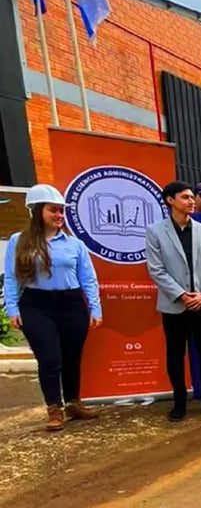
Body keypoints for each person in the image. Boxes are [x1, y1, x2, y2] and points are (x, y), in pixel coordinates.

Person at [3, 184, 102, 431]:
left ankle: (73, 403)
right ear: (37, 211)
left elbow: (88, 278)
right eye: (53, 210)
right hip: (36, 304)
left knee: (71, 358)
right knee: (50, 358)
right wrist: (12, 308)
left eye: (61, 211)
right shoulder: (19, 241)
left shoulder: (74, 244)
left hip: (71, 304)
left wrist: (95, 309)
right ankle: (54, 408)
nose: (59, 215)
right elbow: (12, 277)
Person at [144, 182, 201, 421]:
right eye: (186, 197)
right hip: (174, 305)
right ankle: (179, 403)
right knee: (175, 355)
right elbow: (156, 270)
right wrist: (181, 295)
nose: (192, 201)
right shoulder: (156, 232)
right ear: (170, 200)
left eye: (192, 197)